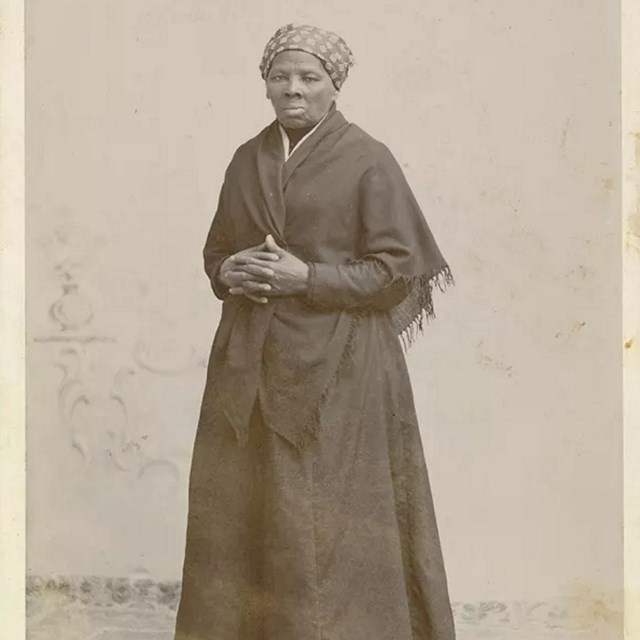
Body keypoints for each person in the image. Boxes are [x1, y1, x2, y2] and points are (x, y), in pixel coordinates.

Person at [174, 23, 456, 640]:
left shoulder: (367, 158)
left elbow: (395, 272)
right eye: (281, 78)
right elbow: (217, 251)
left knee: (324, 513)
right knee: (248, 509)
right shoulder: (247, 158)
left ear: (335, 87)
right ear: (266, 85)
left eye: (309, 79)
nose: (293, 90)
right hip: (250, 361)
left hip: (343, 368)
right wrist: (229, 270)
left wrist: (309, 277)